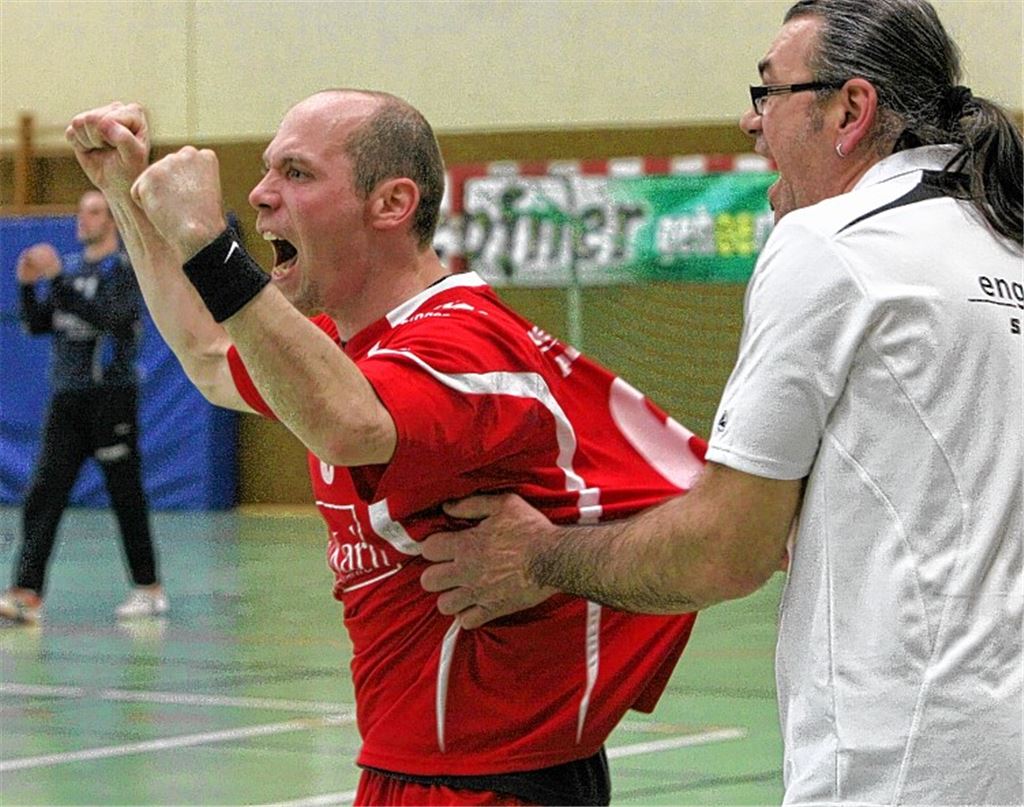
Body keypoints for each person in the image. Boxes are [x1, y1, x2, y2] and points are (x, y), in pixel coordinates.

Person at [418, 1, 1024, 805]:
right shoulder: (1000, 235)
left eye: (768, 91)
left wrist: (537, 555)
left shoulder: (832, 245)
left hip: (910, 759)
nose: (749, 119)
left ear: (851, 110)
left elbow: (724, 551)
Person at [65, 90, 712, 806]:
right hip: (410, 772)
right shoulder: (351, 348)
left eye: (297, 173)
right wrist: (126, 197)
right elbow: (215, 356)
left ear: (392, 202)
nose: (260, 192)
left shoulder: (461, 341)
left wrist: (208, 243)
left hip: (493, 784)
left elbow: (352, 425)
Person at [0, 191, 168, 625]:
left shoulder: (124, 270)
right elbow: (39, 325)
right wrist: (26, 286)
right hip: (67, 397)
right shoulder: (72, 268)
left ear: (112, 221)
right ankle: (26, 593)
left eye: (93, 212)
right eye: (80, 211)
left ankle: (148, 588)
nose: (83, 220)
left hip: (110, 396)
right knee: (44, 492)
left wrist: (56, 283)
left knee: (124, 492)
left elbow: (110, 318)